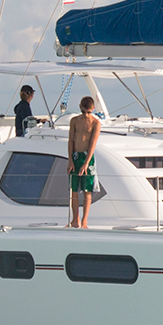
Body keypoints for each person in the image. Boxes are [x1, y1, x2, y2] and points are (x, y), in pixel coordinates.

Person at [67, 96, 101, 228]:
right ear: (80, 107)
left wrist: (86, 163)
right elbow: (71, 140)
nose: (86, 115)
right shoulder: (74, 121)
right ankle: (75, 220)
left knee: (87, 190)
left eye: (88, 112)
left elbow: (92, 144)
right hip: (76, 155)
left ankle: (84, 220)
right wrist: (70, 160)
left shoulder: (95, 123)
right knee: (74, 189)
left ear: (93, 109)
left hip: (88, 157)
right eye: (83, 112)